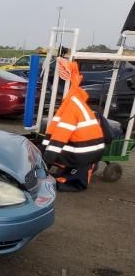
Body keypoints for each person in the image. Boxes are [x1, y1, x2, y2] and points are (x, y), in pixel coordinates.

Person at [41, 58, 105, 191]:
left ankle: (69, 177)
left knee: (54, 151)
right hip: (93, 151)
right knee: (53, 149)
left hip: (84, 153)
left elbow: (58, 139)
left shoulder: (70, 107)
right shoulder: (78, 103)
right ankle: (70, 171)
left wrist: (44, 165)